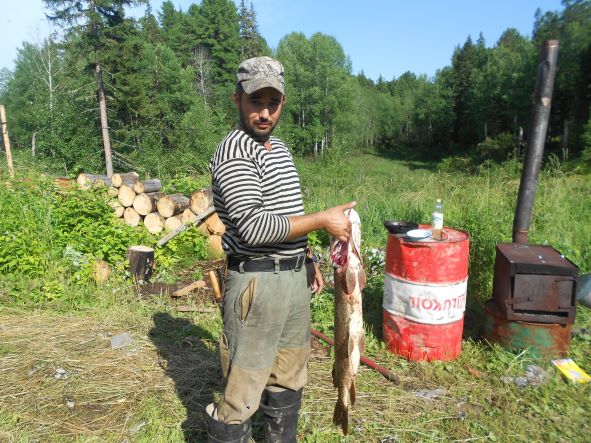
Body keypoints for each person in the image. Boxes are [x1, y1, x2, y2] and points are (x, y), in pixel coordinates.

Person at [206, 56, 356, 442]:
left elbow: (287, 214)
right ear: (237, 99)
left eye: (273, 103)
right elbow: (254, 227)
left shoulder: (281, 148)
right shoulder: (235, 151)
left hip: (292, 282)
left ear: (283, 103)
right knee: (242, 389)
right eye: (256, 101)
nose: (264, 112)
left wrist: (307, 257)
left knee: (288, 376)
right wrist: (323, 220)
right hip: (256, 283)